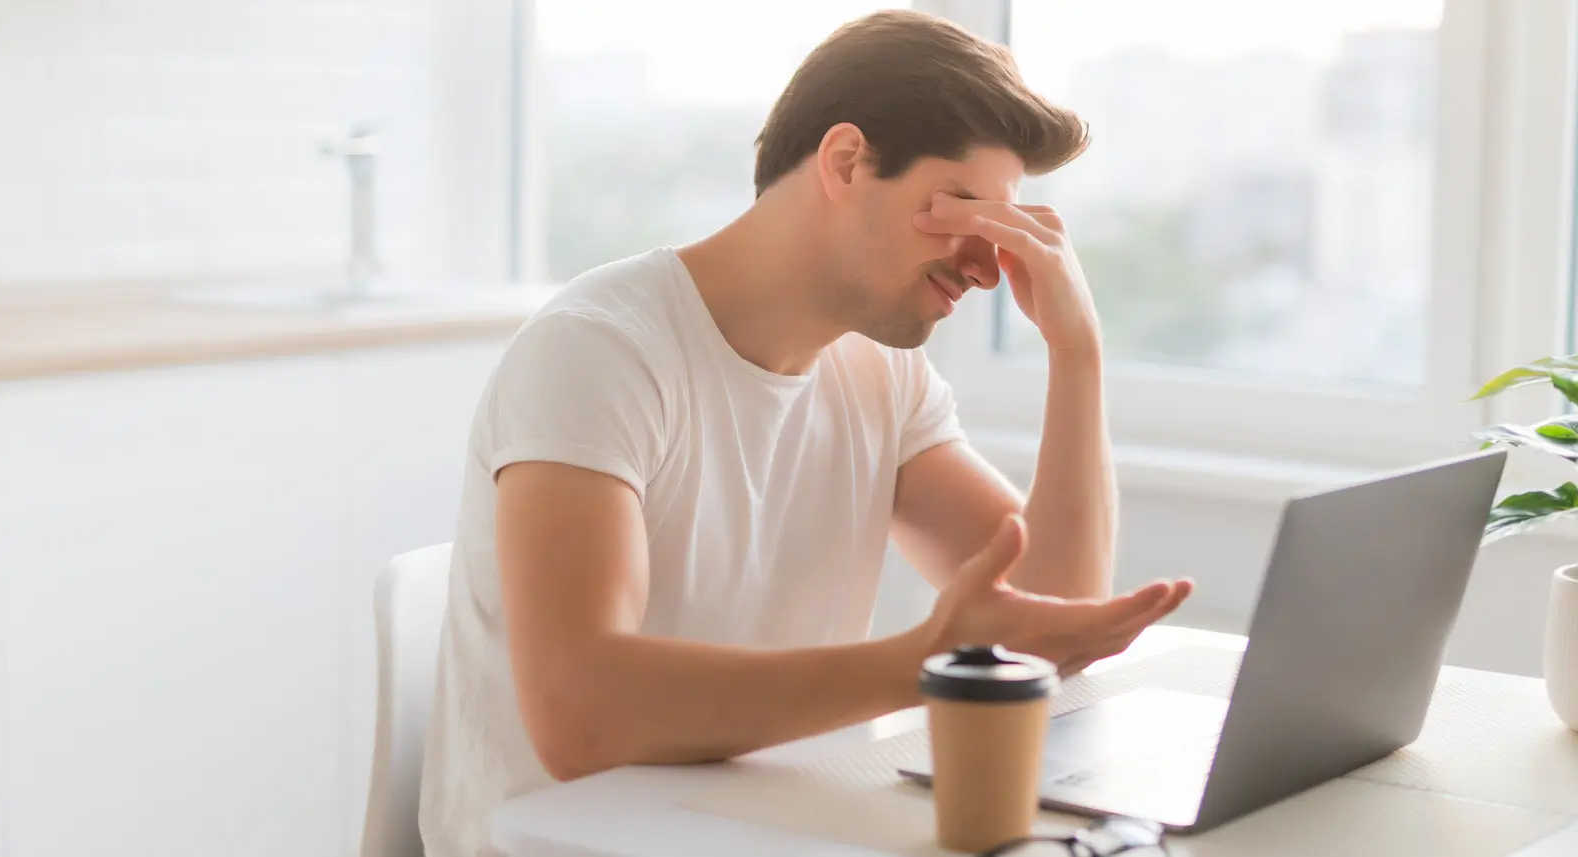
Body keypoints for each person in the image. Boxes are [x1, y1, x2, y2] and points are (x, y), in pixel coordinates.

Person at [418, 9, 1196, 856]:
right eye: (964, 207)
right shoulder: (600, 350)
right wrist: (925, 660)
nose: (985, 265)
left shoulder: (881, 375)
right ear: (846, 162)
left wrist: (1076, 356)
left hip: (760, 831)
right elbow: (581, 716)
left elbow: (1055, 625)